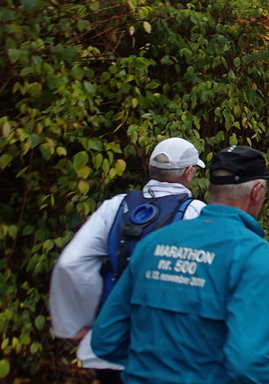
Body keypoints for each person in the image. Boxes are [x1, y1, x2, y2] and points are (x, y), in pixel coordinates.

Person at [91, 145, 269, 384]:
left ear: (211, 189)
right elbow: (249, 361)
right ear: (257, 191)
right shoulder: (252, 253)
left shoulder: (154, 243)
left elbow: (105, 338)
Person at [50, 137, 207, 384]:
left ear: (150, 169)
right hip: (169, 350)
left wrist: (74, 324)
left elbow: (70, 263)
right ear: (189, 172)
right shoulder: (197, 213)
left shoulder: (115, 206)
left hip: (111, 344)